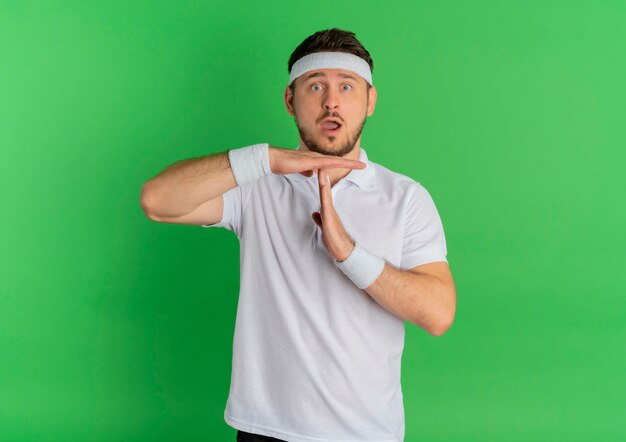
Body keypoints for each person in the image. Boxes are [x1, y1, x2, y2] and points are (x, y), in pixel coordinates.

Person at [140, 28, 457, 442]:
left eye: (347, 86)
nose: (332, 101)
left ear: (370, 101)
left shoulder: (406, 198)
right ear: (291, 101)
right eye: (315, 86)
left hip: (367, 433)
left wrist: (349, 254)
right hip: (266, 430)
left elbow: (437, 314)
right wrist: (265, 159)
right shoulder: (254, 186)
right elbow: (157, 201)